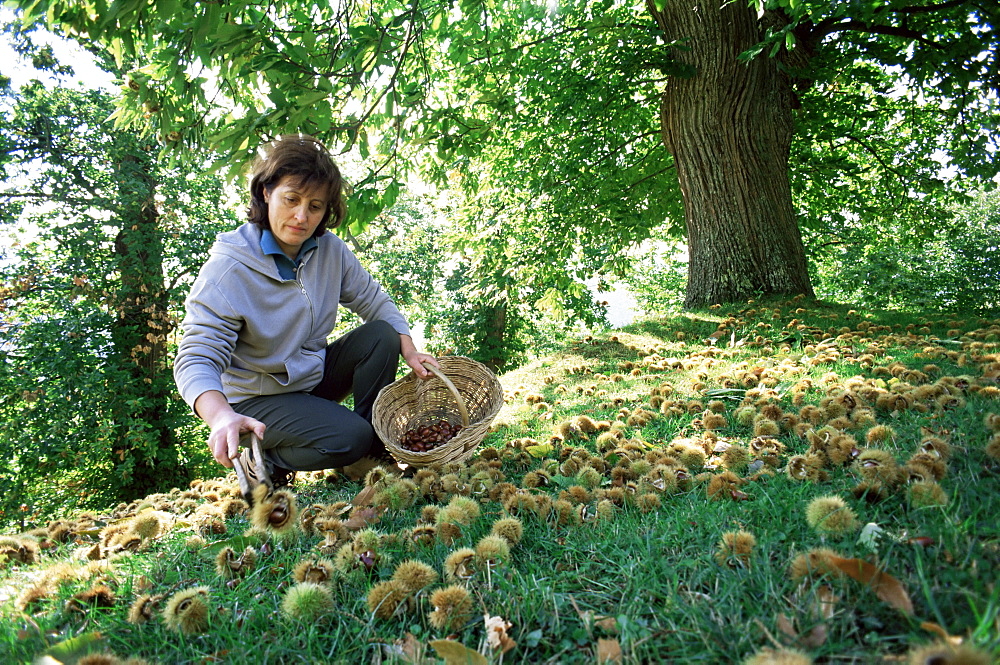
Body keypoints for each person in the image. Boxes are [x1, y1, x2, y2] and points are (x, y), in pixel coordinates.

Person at [173, 133, 438, 500]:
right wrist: (220, 416)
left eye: (315, 206)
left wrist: (407, 348)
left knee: (382, 335)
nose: (302, 217)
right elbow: (196, 356)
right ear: (266, 193)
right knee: (351, 435)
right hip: (255, 398)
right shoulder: (228, 270)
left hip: (308, 379)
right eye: (291, 199)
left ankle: (366, 456)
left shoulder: (330, 250)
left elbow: (373, 300)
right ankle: (264, 458)